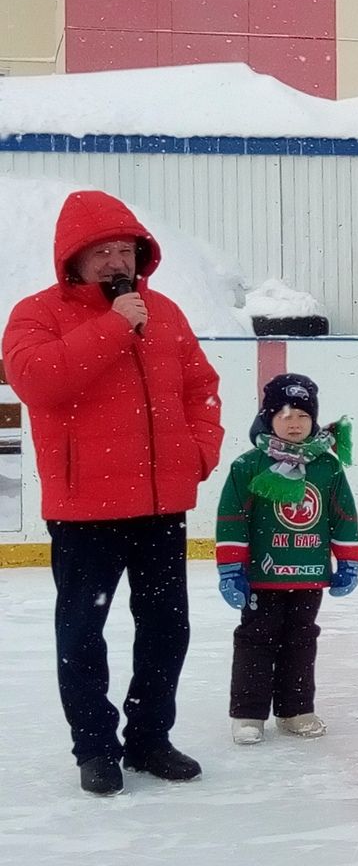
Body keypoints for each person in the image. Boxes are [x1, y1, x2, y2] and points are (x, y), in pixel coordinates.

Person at [1, 189, 223, 795]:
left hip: (160, 507)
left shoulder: (167, 313)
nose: (115, 261)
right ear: (71, 259)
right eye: (100, 252)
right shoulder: (35, 315)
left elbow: (202, 387)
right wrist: (113, 325)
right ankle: (95, 748)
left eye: (124, 249)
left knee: (165, 628)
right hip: (85, 512)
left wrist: (198, 453)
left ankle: (150, 738)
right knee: (82, 633)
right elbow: (39, 382)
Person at [214, 373, 358, 745]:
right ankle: (248, 713)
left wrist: (348, 561)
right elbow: (232, 518)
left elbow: (343, 515)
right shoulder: (249, 466)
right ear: (268, 418)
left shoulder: (327, 467)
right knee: (256, 639)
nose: (294, 422)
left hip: (309, 573)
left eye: (302, 415)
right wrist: (231, 568)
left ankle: (295, 709)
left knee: (301, 639)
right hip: (263, 576)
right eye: (284, 414)